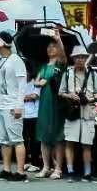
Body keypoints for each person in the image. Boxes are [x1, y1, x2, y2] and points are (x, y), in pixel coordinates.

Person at [58, 47, 97, 181]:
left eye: (82, 57)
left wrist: (91, 99)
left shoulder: (92, 74)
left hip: (88, 112)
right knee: (70, 142)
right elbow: (61, 92)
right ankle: (70, 171)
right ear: (73, 58)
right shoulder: (67, 73)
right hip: (72, 112)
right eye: (77, 57)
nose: (80, 59)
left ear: (85, 58)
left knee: (87, 144)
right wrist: (71, 96)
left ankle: (87, 173)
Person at [0, 31, 28, 182]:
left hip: (13, 105)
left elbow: (22, 84)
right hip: (1, 104)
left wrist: (19, 105)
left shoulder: (16, 60)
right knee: (4, 139)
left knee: (17, 139)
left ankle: (20, 171)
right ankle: (6, 169)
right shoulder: (0, 61)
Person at [32, 37, 65, 179]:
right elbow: (36, 82)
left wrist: (58, 40)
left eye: (54, 46)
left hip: (57, 103)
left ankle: (58, 168)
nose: (50, 49)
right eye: (49, 47)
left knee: (58, 136)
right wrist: (41, 82)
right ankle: (46, 167)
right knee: (44, 136)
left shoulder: (60, 64)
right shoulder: (44, 66)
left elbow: (63, 55)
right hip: (44, 102)